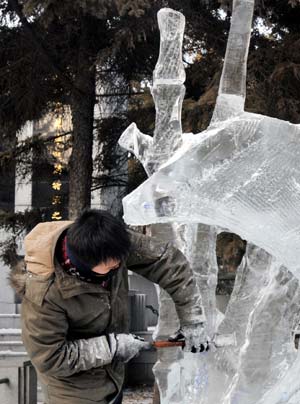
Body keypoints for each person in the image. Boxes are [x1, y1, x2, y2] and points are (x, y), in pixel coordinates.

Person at [11, 209, 208, 404]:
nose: (118, 267)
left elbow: (167, 260)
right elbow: (50, 357)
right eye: (111, 267)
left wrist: (192, 320)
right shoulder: (44, 293)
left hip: (113, 379)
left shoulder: (108, 242)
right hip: (73, 392)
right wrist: (111, 347)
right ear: (85, 263)